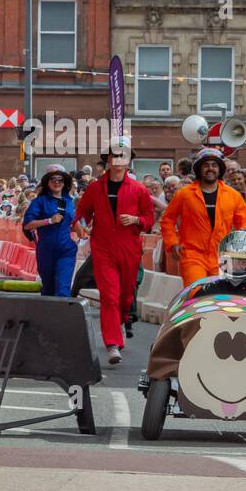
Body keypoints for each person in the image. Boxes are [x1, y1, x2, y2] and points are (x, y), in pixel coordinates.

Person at [73, 141, 154, 364]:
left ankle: (121, 320)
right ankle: (112, 344)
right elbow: (81, 214)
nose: (118, 159)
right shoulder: (95, 188)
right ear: (108, 160)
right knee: (109, 295)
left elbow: (149, 220)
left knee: (126, 296)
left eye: (123, 155)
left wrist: (137, 219)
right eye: (114, 155)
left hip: (129, 248)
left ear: (128, 161)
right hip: (103, 247)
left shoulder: (139, 189)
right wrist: (80, 225)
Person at [159, 148, 246, 286]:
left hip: (224, 255)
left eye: (214, 165)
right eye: (206, 165)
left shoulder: (233, 195)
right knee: (197, 294)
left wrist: (245, 239)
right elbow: (167, 219)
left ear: (220, 169)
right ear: (199, 169)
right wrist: (173, 243)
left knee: (223, 296)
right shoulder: (184, 194)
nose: (210, 169)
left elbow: (245, 222)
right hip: (193, 255)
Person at [23, 164, 78, 297]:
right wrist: (49, 221)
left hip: (66, 250)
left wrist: (84, 228)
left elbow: (73, 221)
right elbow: (27, 225)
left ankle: (63, 317)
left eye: (60, 180)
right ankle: (48, 316)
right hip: (46, 251)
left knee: (63, 289)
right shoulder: (40, 201)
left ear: (65, 183)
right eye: (53, 179)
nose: (56, 182)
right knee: (48, 289)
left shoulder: (69, 201)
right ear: (47, 183)